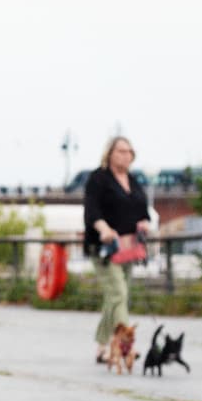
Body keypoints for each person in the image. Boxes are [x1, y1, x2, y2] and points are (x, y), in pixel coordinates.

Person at [82, 136, 151, 364]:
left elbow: (142, 210)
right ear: (109, 153)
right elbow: (92, 212)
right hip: (106, 248)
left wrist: (144, 223)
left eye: (129, 151)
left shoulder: (133, 180)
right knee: (118, 294)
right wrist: (104, 229)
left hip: (129, 247)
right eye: (121, 151)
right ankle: (125, 346)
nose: (126, 155)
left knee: (116, 297)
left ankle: (101, 348)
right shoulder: (99, 179)